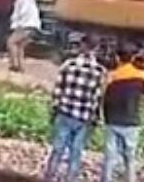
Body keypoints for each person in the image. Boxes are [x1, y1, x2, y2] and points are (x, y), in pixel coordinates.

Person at [44, 35, 106, 182]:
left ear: (81, 46)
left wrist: (53, 110)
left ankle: (49, 177)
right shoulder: (99, 71)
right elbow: (97, 98)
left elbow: (57, 91)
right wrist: (96, 118)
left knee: (57, 150)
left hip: (65, 113)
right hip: (83, 118)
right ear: (96, 49)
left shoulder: (69, 65)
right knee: (76, 153)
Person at [100, 43, 144, 182]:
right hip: (132, 122)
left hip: (112, 121)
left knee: (109, 157)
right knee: (130, 158)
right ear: (132, 58)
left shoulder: (112, 75)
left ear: (118, 58)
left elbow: (103, 96)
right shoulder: (140, 75)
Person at [7, 0, 41, 72]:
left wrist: (16, 26)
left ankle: (14, 65)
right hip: (34, 26)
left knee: (11, 42)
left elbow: (20, 13)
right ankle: (21, 67)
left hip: (26, 25)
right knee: (20, 46)